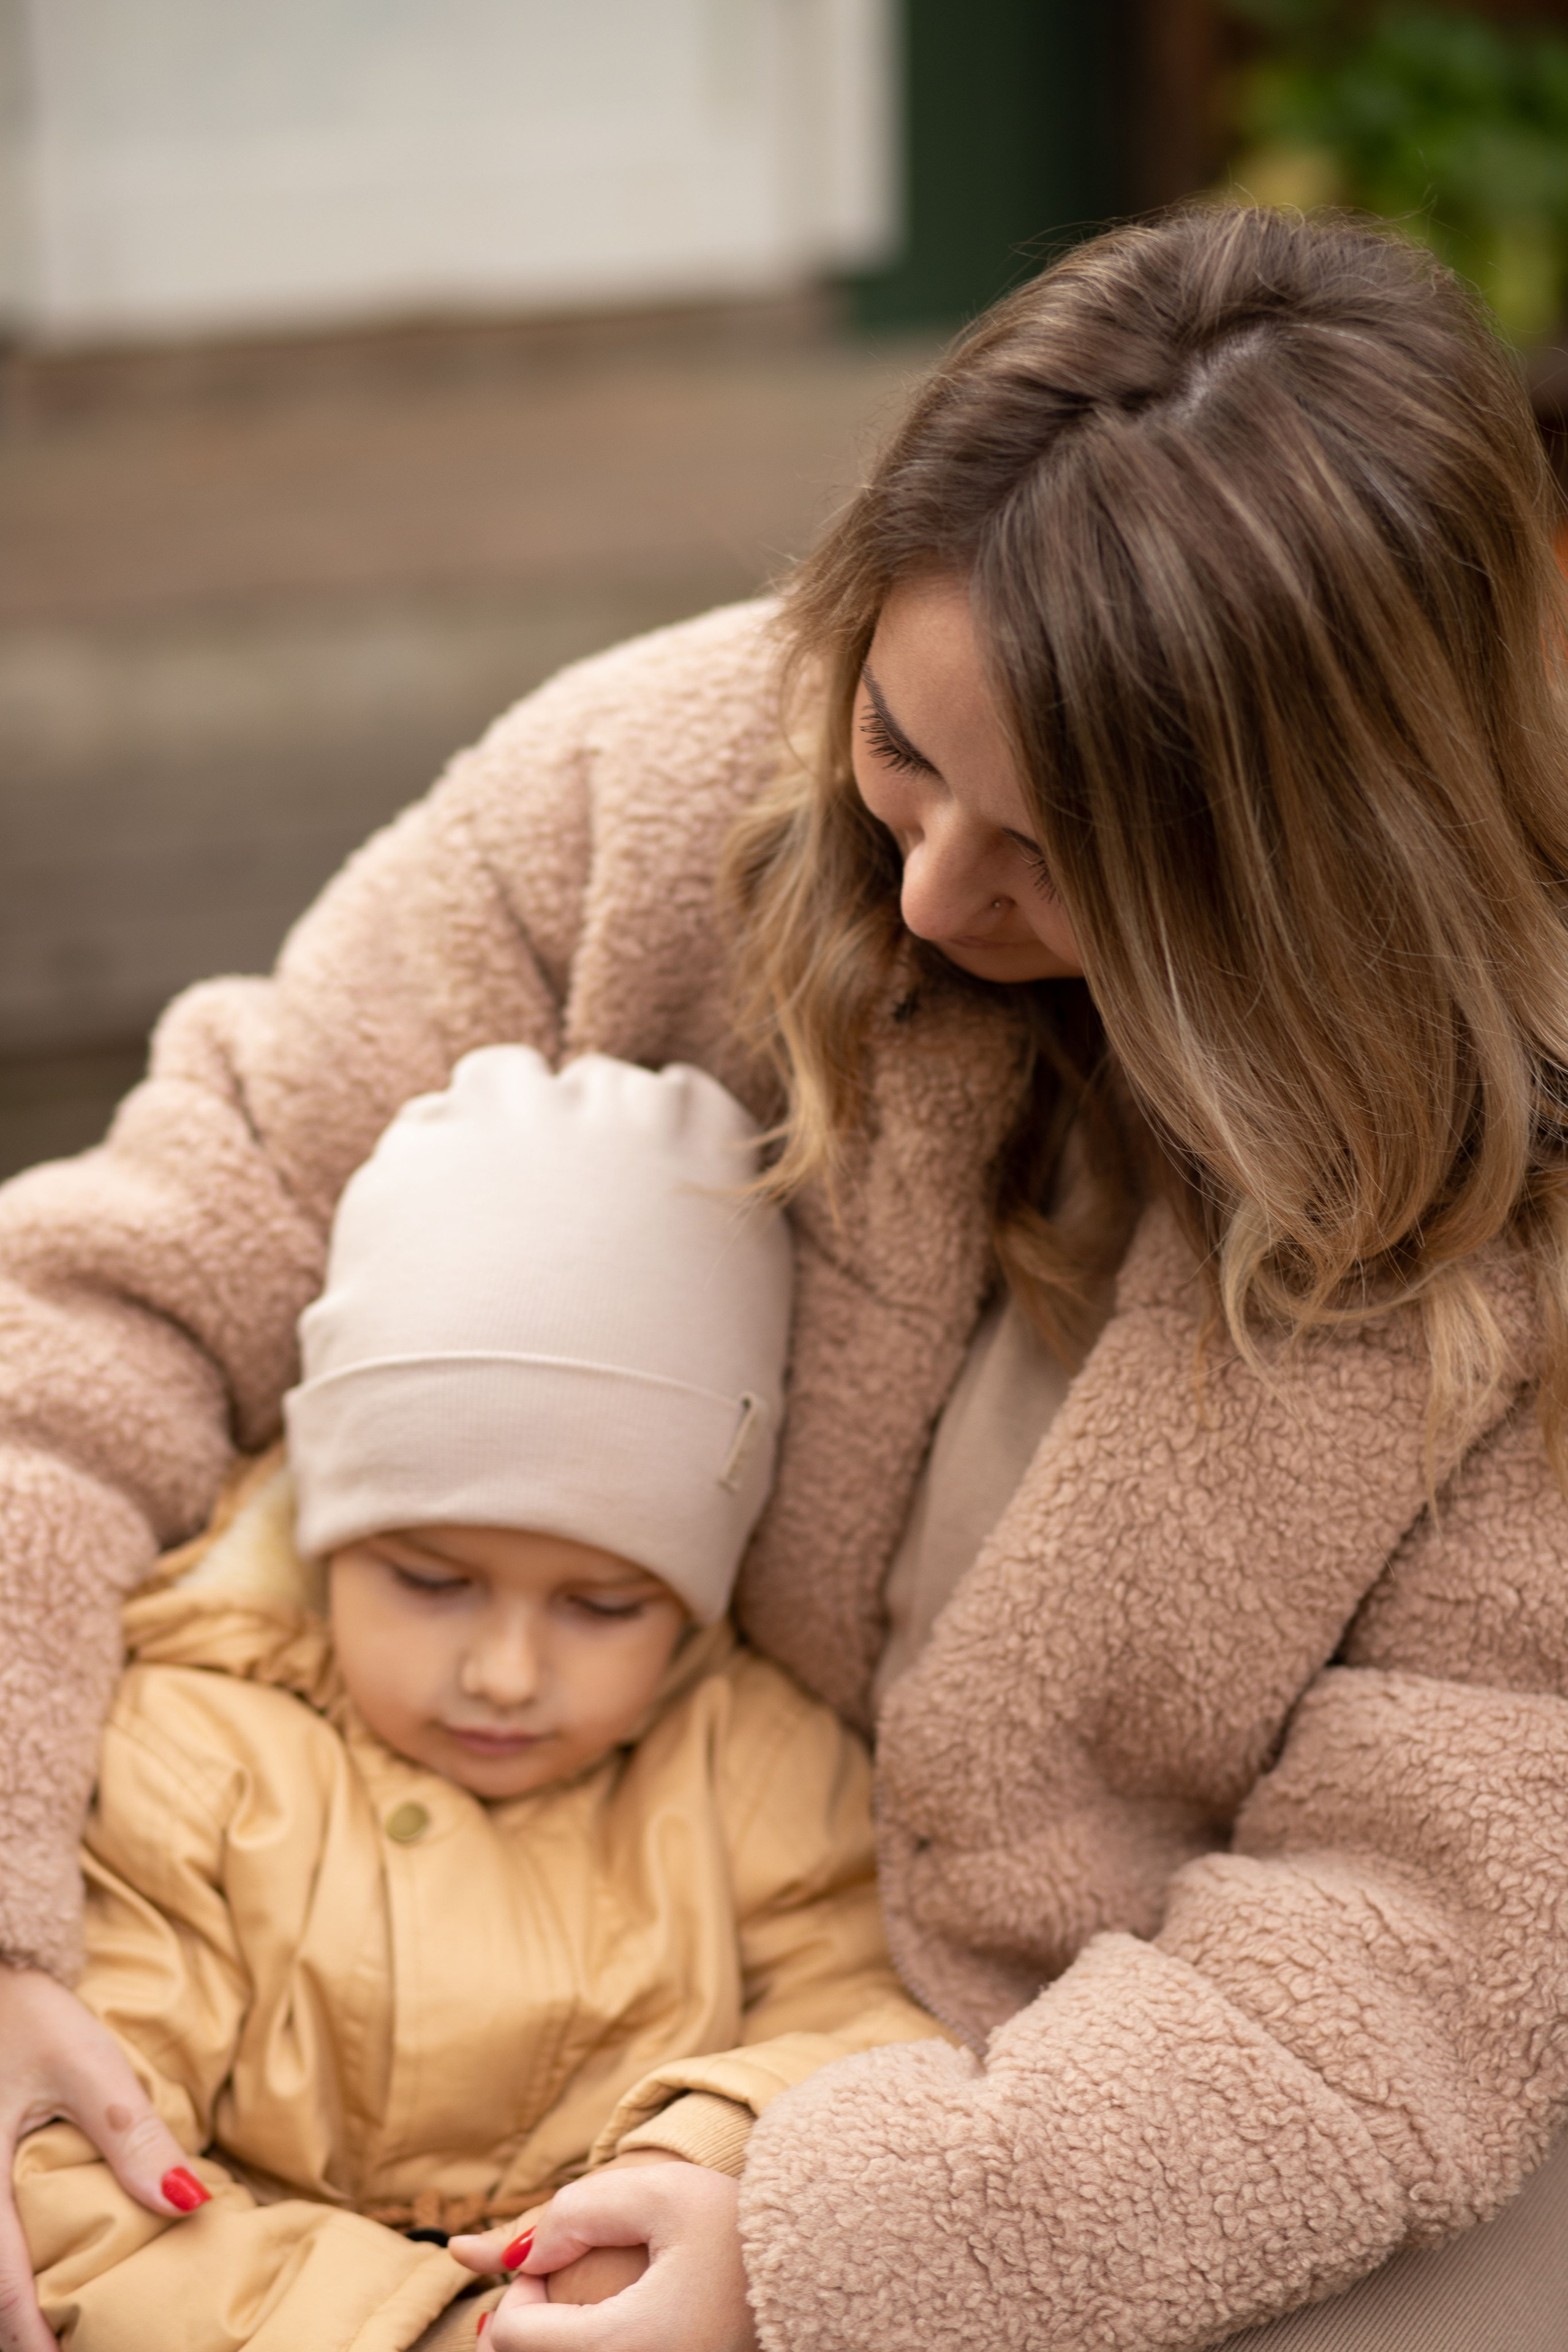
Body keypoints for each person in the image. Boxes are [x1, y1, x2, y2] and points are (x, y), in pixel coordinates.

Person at [1, 201, 1567, 2352]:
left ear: (1317, 865)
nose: (925, 892)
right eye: (901, 752)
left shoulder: (1524, 1198)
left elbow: (1431, 1943)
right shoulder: (644, 790)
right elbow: (114, 1292)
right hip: (430, 1977)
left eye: (1054, 856)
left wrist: (846, 2255)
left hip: (1131, 2140)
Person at [12, 1044, 944, 2351]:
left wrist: (703, 2166)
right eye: (432, 1579)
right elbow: (78, 2166)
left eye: (600, 1604)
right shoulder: (190, 1747)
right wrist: (423, 2328)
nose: (506, 1671)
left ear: (692, 1597)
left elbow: (866, 2013)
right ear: (331, 1536)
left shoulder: (747, 1752)